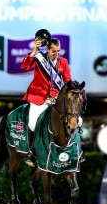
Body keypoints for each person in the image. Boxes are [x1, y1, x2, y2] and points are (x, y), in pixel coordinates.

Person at [20, 29, 72, 166]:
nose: (57, 54)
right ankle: (31, 154)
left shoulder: (64, 63)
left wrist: (59, 97)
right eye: (54, 51)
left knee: (72, 120)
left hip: (56, 100)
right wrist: (33, 50)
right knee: (32, 124)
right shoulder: (38, 58)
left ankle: (71, 150)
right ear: (48, 50)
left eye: (59, 51)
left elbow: (67, 82)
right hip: (39, 97)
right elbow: (24, 66)